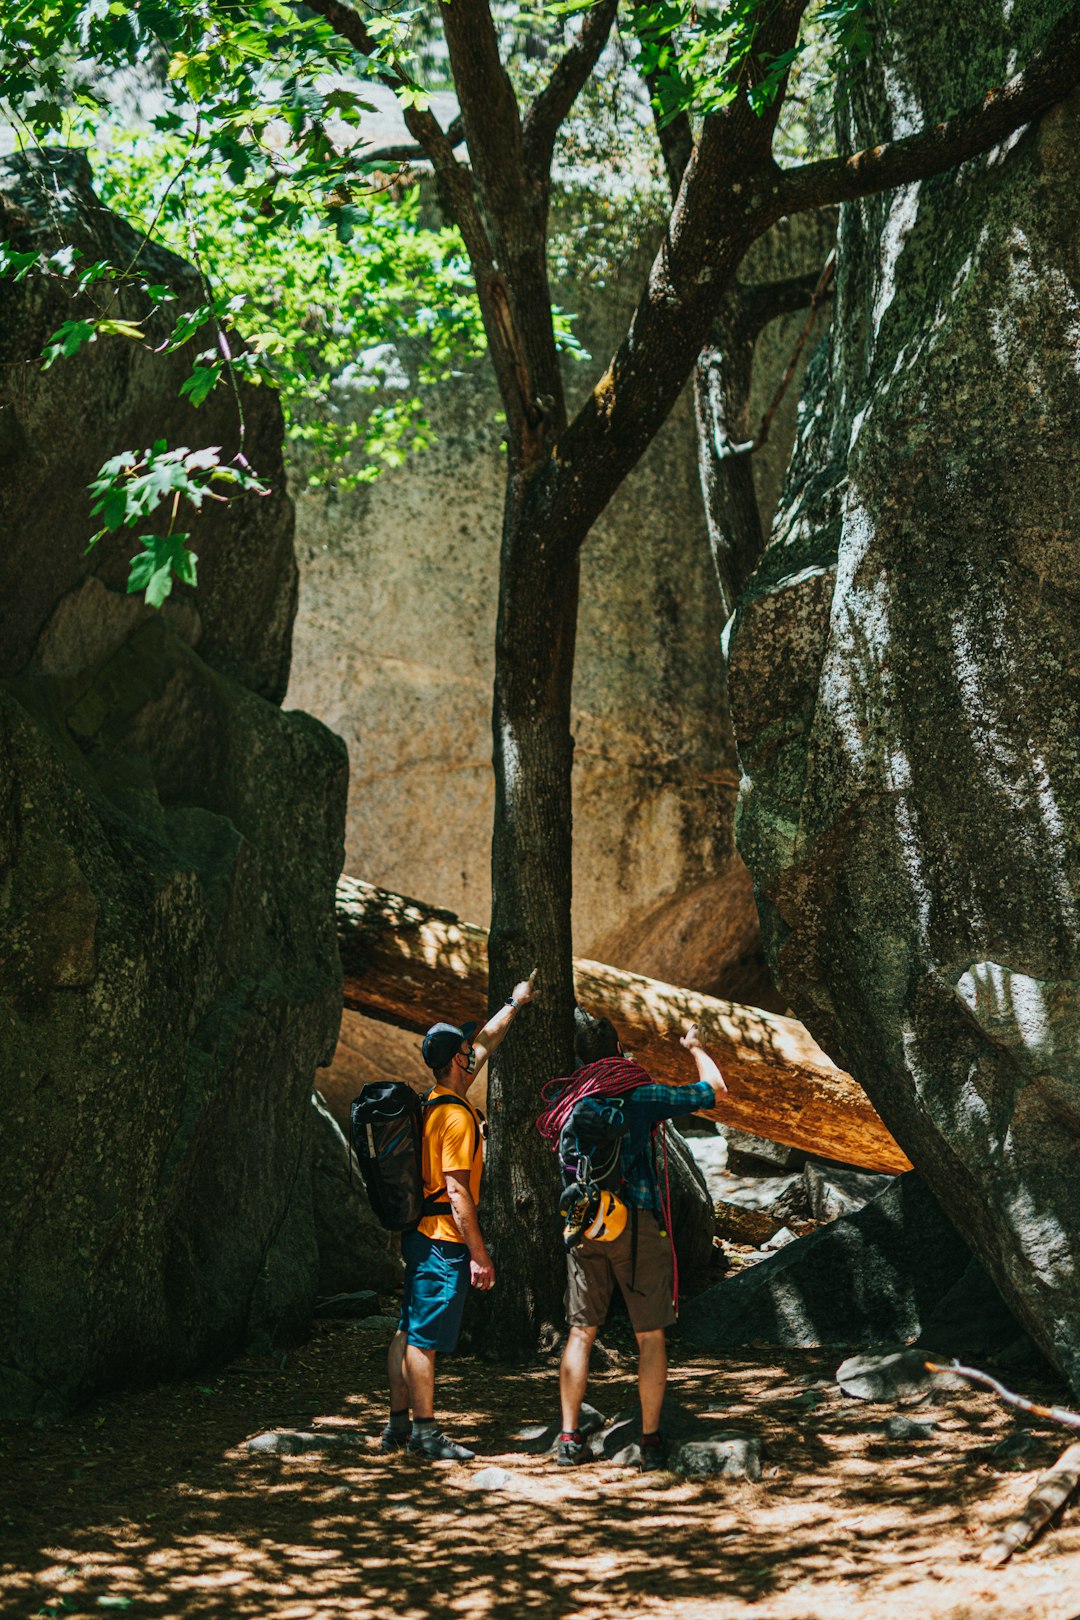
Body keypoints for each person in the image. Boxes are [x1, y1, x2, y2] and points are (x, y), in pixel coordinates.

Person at [540, 1017, 727, 1471]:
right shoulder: (639, 1095)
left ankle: (568, 1438)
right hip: (635, 1226)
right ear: (618, 1048)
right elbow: (713, 1090)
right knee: (650, 1336)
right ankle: (649, 1439)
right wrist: (696, 1047)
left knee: (581, 1332)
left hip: (584, 1226)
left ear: (582, 1058)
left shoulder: (567, 1104)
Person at [381, 972, 538, 1461]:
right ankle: (426, 1434)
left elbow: (487, 1041)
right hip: (443, 1241)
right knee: (423, 1340)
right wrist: (479, 1253)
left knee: (408, 1330)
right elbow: (456, 1191)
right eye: (465, 1047)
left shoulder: (435, 1100)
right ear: (456, 1059)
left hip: (418, 1235)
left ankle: (398, 1427)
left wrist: (515, 1002)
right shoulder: (454, 1116)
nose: (473, 1049)